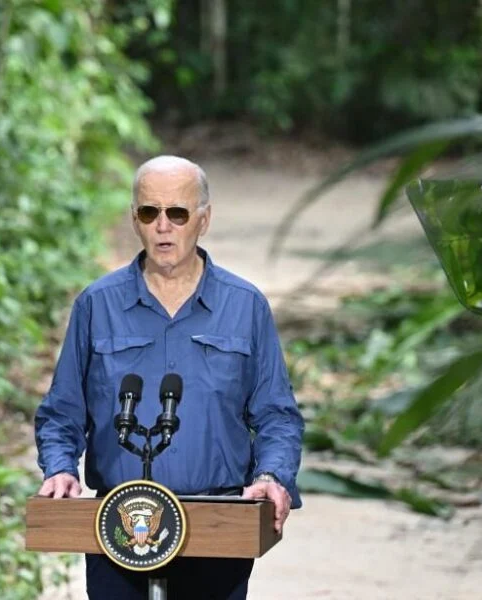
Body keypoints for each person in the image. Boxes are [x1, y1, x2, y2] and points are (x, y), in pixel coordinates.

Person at [34, 155, 305, 600]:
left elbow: (277, 414)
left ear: (203, 220)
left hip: (217, 521)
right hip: (119, 524)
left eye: (177, 213)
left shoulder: (245, 305)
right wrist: (60, 468)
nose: (164, 226)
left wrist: (272, 475)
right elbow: (62, 412)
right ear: (135, 221)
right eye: (149, 212)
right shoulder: (96, 306)